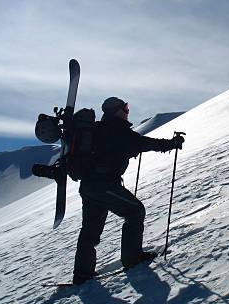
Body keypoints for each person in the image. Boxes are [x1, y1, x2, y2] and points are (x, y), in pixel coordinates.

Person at [73, 97, 184, 285]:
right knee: (135, 211)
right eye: (125, 108)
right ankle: (132, 258)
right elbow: (145, 143)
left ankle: (82, 274)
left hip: (89, 187)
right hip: (105, 185)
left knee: (90, 231)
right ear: (117, 111)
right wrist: (172, 143)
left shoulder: (99, 129)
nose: (127, 111)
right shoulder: (117, 130)